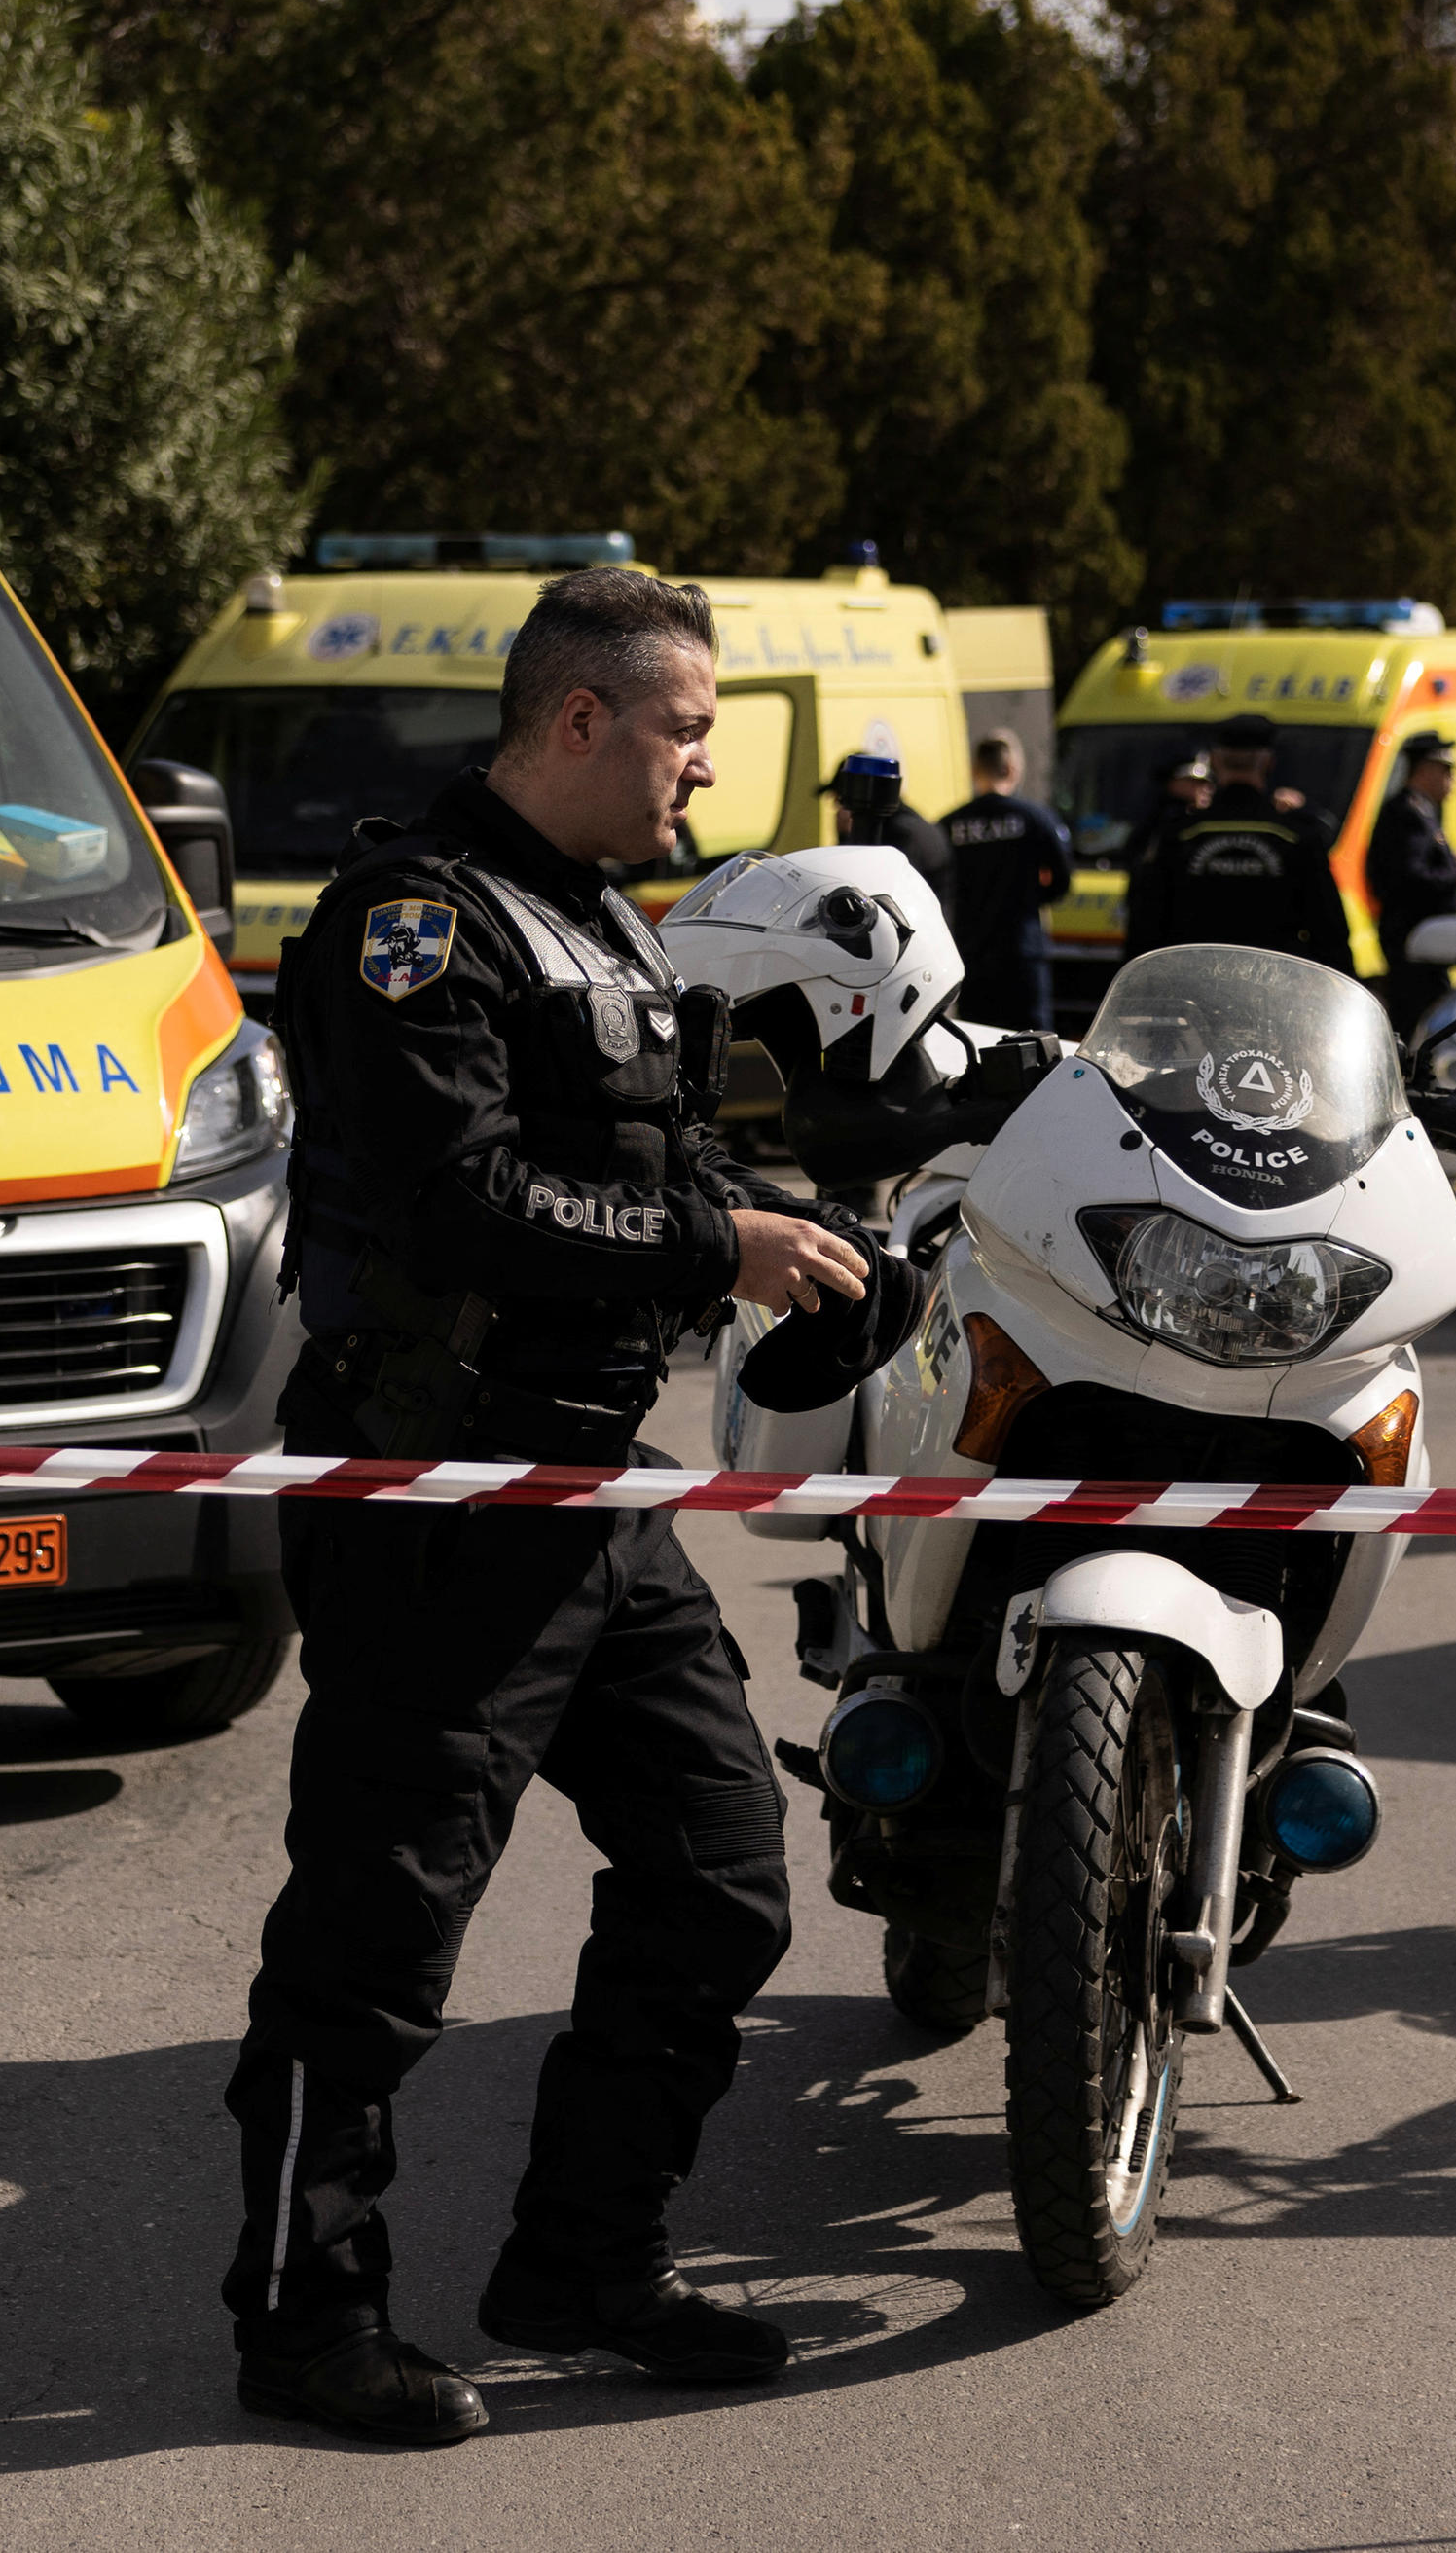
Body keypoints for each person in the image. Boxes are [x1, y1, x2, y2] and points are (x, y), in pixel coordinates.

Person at [229, 565, 879, 2447]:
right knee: (377, 1936)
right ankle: (305, 2322)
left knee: (721, 1866)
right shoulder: (411, 924)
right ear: (578, 718)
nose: (703, 767)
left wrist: (817, 1232)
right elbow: (460, 1202)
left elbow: (663, 1156)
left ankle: (584, 2255)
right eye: (685, 729)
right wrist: (715, 1239)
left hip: (597, 1485)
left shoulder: (596, 912)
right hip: (440, 1491)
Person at [1120, 710, 1354, 971]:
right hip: (1274, 993)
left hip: (1192, 990)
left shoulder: (1179, 835)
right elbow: (1330, 935)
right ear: (1269, 763)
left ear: (1215, 762)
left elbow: (1144, 929)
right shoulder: (1296, 837)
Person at [937, 731, 1074, 1031]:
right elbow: (1062, 880)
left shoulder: (950, 824)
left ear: (975, 770)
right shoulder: (1036, 819)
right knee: (1033, 1040)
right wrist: (1032, 898)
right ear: (1012, 769)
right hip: (1022, 950)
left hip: (971, 951)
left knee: (977, 1038)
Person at [1363, 729, 1456, 1032]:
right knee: (1417, 1020)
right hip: (1413, 944)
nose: (1451, 780)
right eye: (1446, 771)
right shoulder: (1406, 814)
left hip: (1425, 944)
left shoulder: (1423, 811)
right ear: (1425, 770)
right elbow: (1409, 877)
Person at [822, 748, 955, 900]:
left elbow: (859, 894)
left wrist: (846, 838)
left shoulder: (898, 834)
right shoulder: (908, 824)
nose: (836, 809)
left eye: (839, 800)